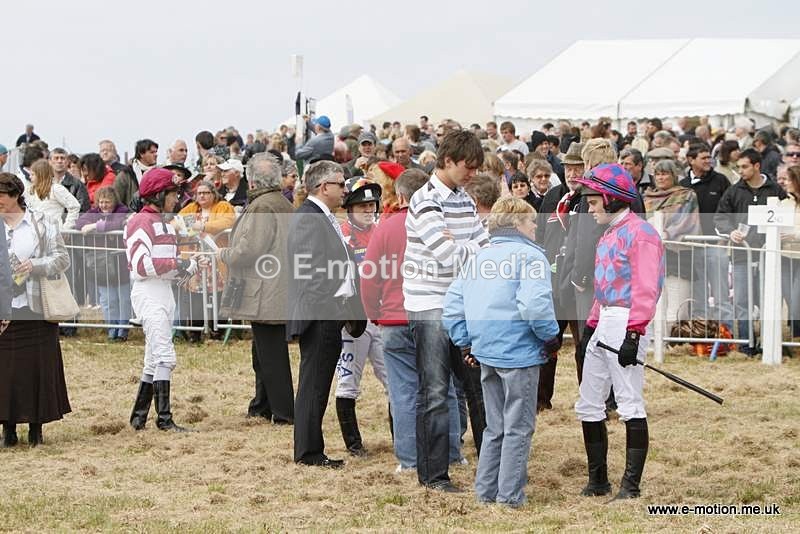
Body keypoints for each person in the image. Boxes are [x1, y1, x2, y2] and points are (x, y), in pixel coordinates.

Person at [443, 196, 559, 507]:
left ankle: (486, 492)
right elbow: (534, 305)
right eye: (531, 221)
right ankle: (509, 497)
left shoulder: (478, 258)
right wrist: (551, 338)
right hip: (520, 352)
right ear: (518, 223)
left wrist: (466, 342)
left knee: (495, 427)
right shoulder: (531, 257)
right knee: (518, 428)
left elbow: (452, 305)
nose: (535, 227)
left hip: (486, 351)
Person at [361, 168, 467, 472]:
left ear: (401, 196)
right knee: (443, 387)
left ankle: (409, 459)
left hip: (395, 317)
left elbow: (369, 276)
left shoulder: (386, 227)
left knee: (404, 391)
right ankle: (450, 453)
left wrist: (373, 313)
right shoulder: (444, 222)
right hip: (436, 313)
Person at [403, 130, 489, 492]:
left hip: (460, 304)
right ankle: (434, 476)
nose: (473, 174)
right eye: (468, 167)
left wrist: (465, 247)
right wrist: (469, 248)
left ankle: (491, 469)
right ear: (448, 160)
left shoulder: (464, 200)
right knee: (436, 392)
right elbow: (447, 256)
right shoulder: (425, 200)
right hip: (429, 306)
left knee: (479, 388)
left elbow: (484, 247)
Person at [573, 163, 665, 500]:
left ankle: (631, 486)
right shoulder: (609, 233)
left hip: (627, 320)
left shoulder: (641, 233)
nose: (589, 208)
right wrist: (590, 328)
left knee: (628, 401)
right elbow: (603, 289)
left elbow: (646, 288)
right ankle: (598, 480)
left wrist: (634, 332)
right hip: (605, 320)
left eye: (592, 201)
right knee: (588, 401)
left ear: (611, 198)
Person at [287, 160, 366, 468]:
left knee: (317, 383)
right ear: (323, 187)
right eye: (341, 184)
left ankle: (310, 449)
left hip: (328, 310)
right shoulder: (309, 217)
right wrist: (332, 306)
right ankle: (309, 452)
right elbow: (308, 271)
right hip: (320, 312)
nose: (345, 189)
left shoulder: (320, 215)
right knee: (314, 385)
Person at [218, 153, 295, 424]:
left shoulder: (262, 206)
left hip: (267, 292)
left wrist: (224, 254)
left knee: (271, 357)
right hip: (276, 288)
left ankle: (284, 413)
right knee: (262, 354)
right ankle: (261, 406)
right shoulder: (282, 203)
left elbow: (250, 249)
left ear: (251, 180)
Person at [125, 168, 204, 432]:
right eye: (173, 194)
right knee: (165, 356)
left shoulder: (165, 223)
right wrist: (178, 263)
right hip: (148, 292)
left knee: (153, 358)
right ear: (158, 195)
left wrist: (191, 266)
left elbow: (167, 269)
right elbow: (141, 265)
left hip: (163, 292)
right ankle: (164, 419)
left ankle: (138, 417)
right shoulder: (141, 221)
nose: (177, 199)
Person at [0, 173, 71, 447]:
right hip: (5, 307)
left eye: (1, 195)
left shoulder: (43, 222)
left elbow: (62, 258)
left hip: (36, 306)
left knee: (38, 369)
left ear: (15, 195)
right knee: (5, 371)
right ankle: (7, 429)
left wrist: (35, 265)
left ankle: (35, 428)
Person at [334, 177, 390, 456]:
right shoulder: (340, 235)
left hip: (383, 316)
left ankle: (402, 437)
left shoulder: (382, 231)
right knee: (348, 382)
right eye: (362, 206)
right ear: (349, 208)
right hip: (354, 320)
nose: (368, 211)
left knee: (393, 379)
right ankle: (354, 445)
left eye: (372, 205)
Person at [714, 148, 785, 355]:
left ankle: (768, 343)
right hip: (741, 256)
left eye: (744, 167)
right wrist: (731, 232)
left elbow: (787, 214)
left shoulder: (775, 190)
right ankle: (746, 344)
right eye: (738, 167)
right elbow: (720, 217)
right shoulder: (733, 191)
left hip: (769, 256)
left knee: (767, 300)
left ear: (756, 166)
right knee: (742, 301)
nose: (741, 171)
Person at [535, 142, 584, 411]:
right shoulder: (554, 196)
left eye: (578, 168)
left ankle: (590, 399)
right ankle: (541, 401)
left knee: (584, 345)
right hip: (552, 282)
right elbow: (541, 234)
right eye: (568, 168)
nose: (572, 173)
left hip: (579, 282)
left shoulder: (590, 198)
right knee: (547, 341)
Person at [643, 160, 701, 328]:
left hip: (677, 255)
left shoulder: (686, 195)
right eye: (658, 174)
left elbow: (686, 220)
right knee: (656, 305)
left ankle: (671, 338)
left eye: (665, 174)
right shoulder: (647, 197)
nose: (660, 178)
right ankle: (657, 339)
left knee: (677, 305)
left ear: (674, 176)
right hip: (652, 257)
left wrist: (666, 234)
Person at [176, 181, 235, 342]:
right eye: (199, 193)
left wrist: (202, 226)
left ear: (213, 194)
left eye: (206, 192)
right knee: (196, 296)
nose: (202, 196)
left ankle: (218, 330)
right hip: (196, 258)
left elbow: (227, 222)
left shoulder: (223, 206)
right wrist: (190, 226)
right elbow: (176, 222)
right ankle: (196, 332)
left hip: (217, 258)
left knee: (219, 294)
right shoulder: (191, 208)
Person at [681, 144, 732, 324]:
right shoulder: (683, 185)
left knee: (721, 293)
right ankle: (700, 331)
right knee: (698, 294)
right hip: (692, 246)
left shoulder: (721, 181)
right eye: (703, 158)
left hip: (716, 244)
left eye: (709, 157)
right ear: (691, 160)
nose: (708, 161)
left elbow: (730, 210)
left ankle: (726, 331)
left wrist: (725, 237)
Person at [75, 187, 132, 341]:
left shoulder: (123, 210)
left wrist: (95, 226)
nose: (104, 205)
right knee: (107, 300)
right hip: (101, 264)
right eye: (101, 202)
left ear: (114, 201)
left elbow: (119, 223)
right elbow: (80, 223)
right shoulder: (94, 212)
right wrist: (96, 223)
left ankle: (123, 331)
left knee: (124, 300)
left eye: (107, 202)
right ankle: (111, 331)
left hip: (121, 263)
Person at [25, 159, 81, 230]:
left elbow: (75, 206)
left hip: (53, 232)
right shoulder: (31, 190)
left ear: (41, 175)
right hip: (35, 232)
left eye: (32, 174)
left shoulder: (56, 189)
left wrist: (67, 227)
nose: (30, 177)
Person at [779, 165, 800, 339]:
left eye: (788, 179)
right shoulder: (783, 204)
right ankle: (795, 336)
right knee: (790, 299)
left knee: (796, 301)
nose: (785, 183)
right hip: (785, 256)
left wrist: (796, 235)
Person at [50, 148, 90, 213]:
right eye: (56, 158)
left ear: (67, 162)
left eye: (62, 158)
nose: (59, 161)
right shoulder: (43, 183)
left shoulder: (78, 185)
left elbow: (83, 210)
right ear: (50, 162)